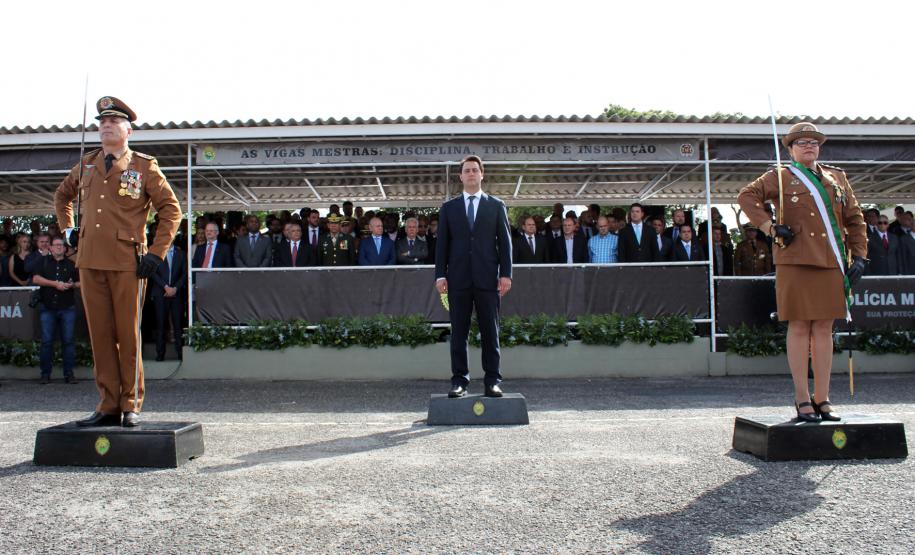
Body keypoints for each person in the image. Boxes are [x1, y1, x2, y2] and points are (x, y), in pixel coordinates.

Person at [54, 96, 182, 427]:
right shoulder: (86, 164)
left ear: (128, 130)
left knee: (128, 334)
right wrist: (68, 229)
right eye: (102, 121)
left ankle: (130, 404)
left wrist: (156, 253)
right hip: (89, 259)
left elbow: (171, 210)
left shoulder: (143, 165)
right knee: (99, 334)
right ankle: (108, 403)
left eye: (113, 121)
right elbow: (61, 196)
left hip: (128, 261)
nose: (106, 125)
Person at [737, 122, 867, 423]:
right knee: (799, 327)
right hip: (795, 260)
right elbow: (747, 196)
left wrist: (859, 256)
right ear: (791, 148)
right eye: (801, 142)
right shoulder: (781, 176)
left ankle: (822, 398)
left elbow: (854, 218)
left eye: (814, 142)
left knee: (823, 328)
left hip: (831, 260)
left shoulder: (837, 177)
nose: (809, 146)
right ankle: (801, 398)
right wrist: (769, 226)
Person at [434, 155, 512, 398]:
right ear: (460, 176)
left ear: (482, 174)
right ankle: (459, 381)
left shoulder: (496, 206)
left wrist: (506, 274)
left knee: (491, 332)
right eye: (466, 170)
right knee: (459, 333)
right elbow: (442, 245)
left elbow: (505, 243)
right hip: (458, 280)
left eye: (474, 170)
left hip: (488, 279)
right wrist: (440, 275)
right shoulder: (449, 208)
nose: (470, 174)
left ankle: (493, 381)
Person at [30, 236, 81, 384]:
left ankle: (69, 374)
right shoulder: (43, 262)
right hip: (48, 308)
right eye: (56, 245)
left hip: (67, 307)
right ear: (50, 248)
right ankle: (45, 374)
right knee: (46, 342)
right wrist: (55, 284)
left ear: (65, 249)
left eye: (61, 245)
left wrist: (71, 285)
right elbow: (36, 279)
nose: (59, 247)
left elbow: (81, 282)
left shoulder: (72, 265)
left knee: (69, 342)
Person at [149, 244, 187, 361]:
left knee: (178, 324)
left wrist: (175, 288)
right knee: (160, 324)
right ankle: (160, 354)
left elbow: (185, 273)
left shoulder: (181, 254)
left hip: (176, 293)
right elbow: (152, 272)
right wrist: (165, 287)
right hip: (160, 293)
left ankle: (180, 354)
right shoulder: (156, 251)